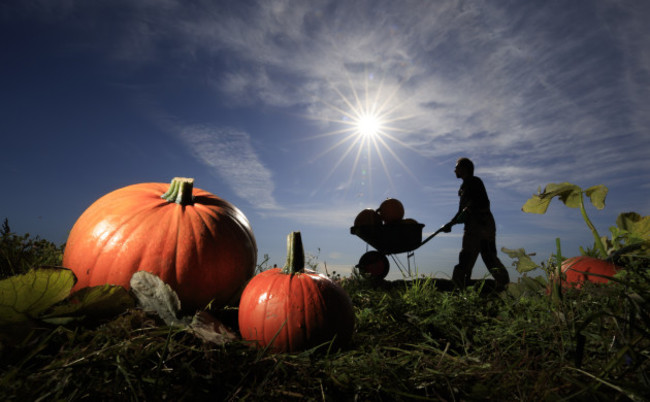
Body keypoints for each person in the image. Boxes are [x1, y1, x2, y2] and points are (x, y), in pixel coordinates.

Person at [441, 157, 510, 291]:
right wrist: (450, 223)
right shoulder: (466, 185)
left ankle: (459, 290)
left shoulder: (473, 182)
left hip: (480, 225)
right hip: (480, 224)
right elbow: (461, 211)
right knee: (481, 257)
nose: (455, 170)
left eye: (457, 167)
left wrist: (466, 213)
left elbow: (479, 204)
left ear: (464, 169)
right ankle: (461, 289)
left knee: (476, 257)